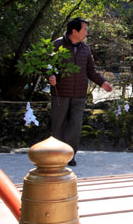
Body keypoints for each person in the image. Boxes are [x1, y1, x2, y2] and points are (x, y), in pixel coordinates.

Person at [48, 17, 113, 166]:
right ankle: (56, 155)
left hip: (79, 94)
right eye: (84, 29)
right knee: (58, 125)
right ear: (74, 31)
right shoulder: (57, 45)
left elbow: (90, 70)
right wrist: (49, 76)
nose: (86, 33)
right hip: (61, 93)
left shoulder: (85, 48)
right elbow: (47, 65)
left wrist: (103, 82)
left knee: (75, 126)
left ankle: (70, 155)